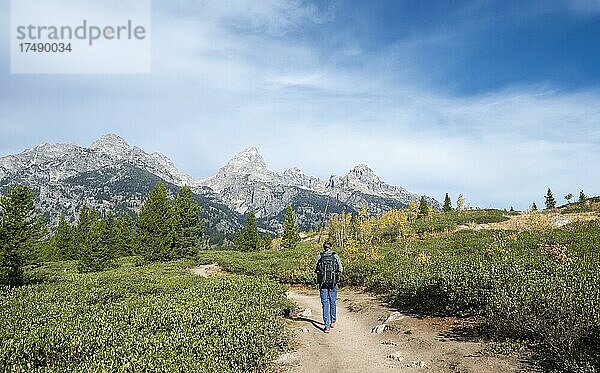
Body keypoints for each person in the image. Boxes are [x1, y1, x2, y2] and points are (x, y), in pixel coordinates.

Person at [314, 241, 343, 333]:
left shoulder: (320, 256)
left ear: (324, 247)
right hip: (333, 283)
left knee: (325, 304)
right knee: (333, 302)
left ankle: (327, 326)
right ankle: (333, 321)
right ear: (331, 247)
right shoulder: (335, 256)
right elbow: (341, 269)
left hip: (323, 284)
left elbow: (315, 269)